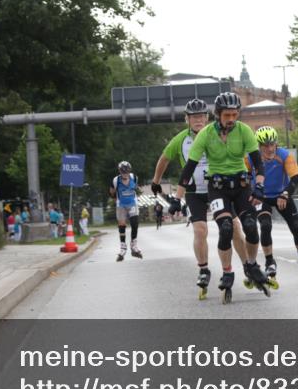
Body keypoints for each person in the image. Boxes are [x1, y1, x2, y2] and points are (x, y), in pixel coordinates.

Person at [172, 93, 274, 303]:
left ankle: (251, 265)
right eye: (227, 114)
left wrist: (260, 186)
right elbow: (188, 170)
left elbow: (258, 164)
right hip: (217, 188)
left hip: (241, 187)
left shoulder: (244, 130)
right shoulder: (206, 134)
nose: (231, 119)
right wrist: (177, 199)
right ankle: (227, 272)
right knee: (226, 227)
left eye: (234, 114)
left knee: (250, 226)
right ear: (217, 115)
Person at [152, 98, 251, 300]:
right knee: (200, 229)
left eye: (201, 116)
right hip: (194, 192)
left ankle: (247, 266)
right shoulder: (180, 139)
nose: (198, 120)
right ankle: (204, 269)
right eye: (194, 117)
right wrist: (156, 181)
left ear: (208, 117)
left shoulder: (219, 134)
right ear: (187, 119)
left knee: (234, 228)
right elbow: (164, 158)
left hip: (219, 189)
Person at [245, 126, 298, 282]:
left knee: (296, 226)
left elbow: (295, 178)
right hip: (262, 197)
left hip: (282, 194)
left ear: (276, 143)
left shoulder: (284, 155)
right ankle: (269, 262)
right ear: (258, 146)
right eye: (265, 146)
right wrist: (251, 193)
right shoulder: (249, 158)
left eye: (272, 144)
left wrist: (285, 194)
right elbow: (245, 179)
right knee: (265, 225)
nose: (269, 149)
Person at [109, 161, 143, 262]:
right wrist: (116, 200)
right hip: (121, 205)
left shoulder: (134, 177)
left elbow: (136, 188)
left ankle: (134, 245)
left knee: (135, 223)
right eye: (123, 172)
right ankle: (123, 247)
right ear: (119, 171)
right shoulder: (115, 180)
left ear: (129, 171)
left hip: (133, 203)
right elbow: (111, 192)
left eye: (127, 172)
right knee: (122, 225)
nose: (125, 174)